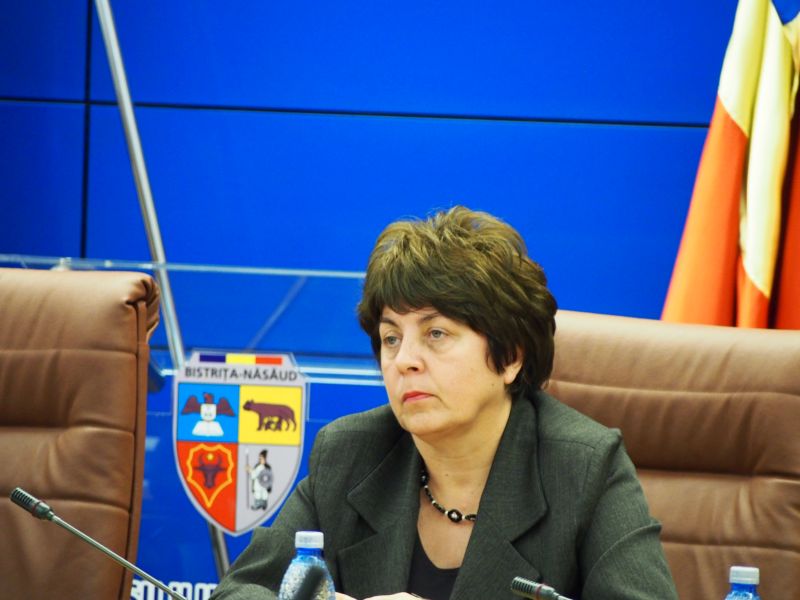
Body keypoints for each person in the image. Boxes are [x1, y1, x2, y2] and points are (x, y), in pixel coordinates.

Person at [211, 206, 678, 599]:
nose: (404, 361)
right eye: (391, 338)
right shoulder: (351, 454)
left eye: (436, 334)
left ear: (510, 357)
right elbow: (238, 592)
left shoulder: (584, 470)